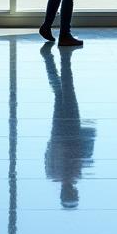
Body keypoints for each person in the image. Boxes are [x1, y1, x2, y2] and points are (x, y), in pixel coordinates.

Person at [42, 43, 95, 208]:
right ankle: (50, 63)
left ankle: (61, 63)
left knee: (66, 91)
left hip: (70, 130)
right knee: (60, 94)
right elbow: (48, 152)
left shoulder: (72, 172)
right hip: (59, 133)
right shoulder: (53, 173)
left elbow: (83, 150)